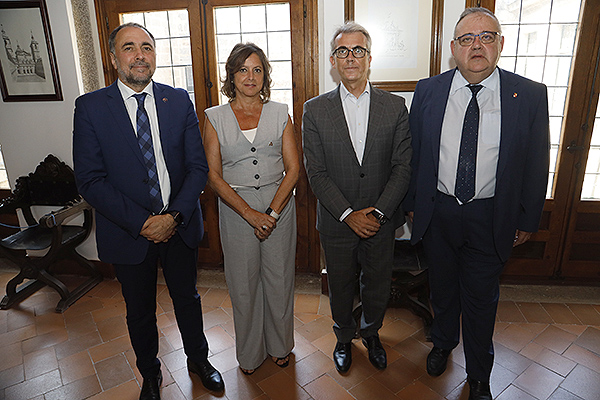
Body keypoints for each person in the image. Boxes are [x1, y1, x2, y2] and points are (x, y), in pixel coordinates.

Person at [72, 23, 224, 400]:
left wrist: (172, 217)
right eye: (129, 47)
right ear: (113, 58)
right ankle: (151, 375)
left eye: (147, 47)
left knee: (187, 299)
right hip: (128, 233)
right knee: (139, 311)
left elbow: (198, 168)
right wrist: (143, 223)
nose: (140, 55)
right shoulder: (90, 108)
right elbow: (90, 180)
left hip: (179, 225)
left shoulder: (178, 100)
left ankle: (199, 360)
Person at [405, 7, 550, 400]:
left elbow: (538, 162)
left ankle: (480, 374)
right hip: (439, 212)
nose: (477, 45)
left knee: (482, 299)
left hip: (492, 214)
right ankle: (442, 342)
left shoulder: (530, 94)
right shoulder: (428, 90)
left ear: (500, 44)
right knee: (442, 288)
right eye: (467, 39)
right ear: (453, 48)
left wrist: (528, 218)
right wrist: (413, 205)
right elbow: (415, 154)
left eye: (487, 36)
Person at [302, 22, 412, 373]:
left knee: (378, 281)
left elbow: (402, 167)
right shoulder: (314, 110)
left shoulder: (395, 107)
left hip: (382, 220)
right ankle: (343, 337)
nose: (351, 58)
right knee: (339, 283)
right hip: (337, 220)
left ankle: (372, 333)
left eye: (358, 50)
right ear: (333, 60)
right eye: (342, 51)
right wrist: (349, 214)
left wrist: (378, 214)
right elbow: (315, 172)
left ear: (369, 58)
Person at [203, 43, 299, 375]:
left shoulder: (280, 113)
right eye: (243, 69)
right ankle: (250, 353)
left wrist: (271, 213)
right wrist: (250, 214)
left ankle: (280, 346)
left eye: (257, 70)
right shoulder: (214, 118)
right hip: (235, 210)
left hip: (280, 208)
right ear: (231, 75)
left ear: (265, 76)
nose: (250, 76)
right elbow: (213, 176)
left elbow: (294, 169)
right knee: (243, 284)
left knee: (280, 279)